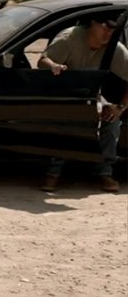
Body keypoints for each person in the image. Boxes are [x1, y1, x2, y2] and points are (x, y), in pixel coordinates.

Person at [37, 12, 128, 192]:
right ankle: (53, 173)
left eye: (112, 29)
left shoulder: (113, 48)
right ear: (93, 23)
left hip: (91, 96)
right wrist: (54, 66)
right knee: (65, 122)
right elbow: (42, 61)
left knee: (112, 122)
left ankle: (105, 172)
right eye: (104, 27)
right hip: (64, 96)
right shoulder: (69, 39)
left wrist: (121, 107)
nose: (108, 33)